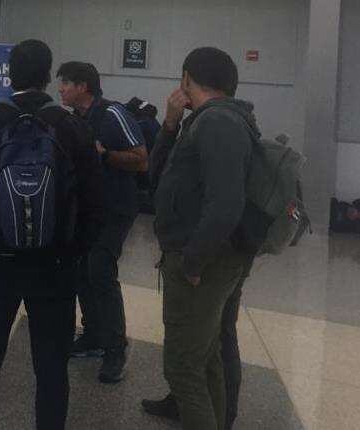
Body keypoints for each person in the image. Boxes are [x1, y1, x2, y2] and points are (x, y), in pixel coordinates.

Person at [0, 40, 104, 429]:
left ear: (9, 74)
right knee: (51, 369)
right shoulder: (70, 127)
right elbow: (95, 201)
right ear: (48, 76)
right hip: (54, 266)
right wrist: (75, 251)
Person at [142, 47, 259, 430]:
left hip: (203, 263)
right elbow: (157, 177)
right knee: (206, 360)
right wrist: (170, 125)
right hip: (206, 257)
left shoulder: (218, 123)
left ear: (187, 79)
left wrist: (192, 260)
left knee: (183, 367)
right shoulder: (205, 120)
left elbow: (225, 204)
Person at [57, 61, 148, 383]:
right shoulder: (73, 119)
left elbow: (141, 159)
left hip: (114, 209)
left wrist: (104, 155)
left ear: (83, 86)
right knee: (82, 270)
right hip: (86, 210)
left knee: (100, 270)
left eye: (66, 83)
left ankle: (115, 349)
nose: (61, 89)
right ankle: (93, 335)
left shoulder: (113, 114)